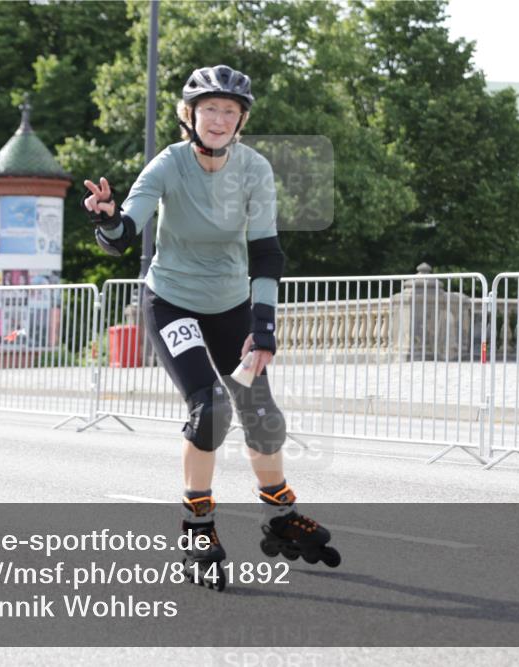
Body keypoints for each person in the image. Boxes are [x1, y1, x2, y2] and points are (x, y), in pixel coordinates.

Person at [83, 65, 339, 588]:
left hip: (230, 308)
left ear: (241, 120)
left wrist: (262, 324)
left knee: (262, 414)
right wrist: (108, 218)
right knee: (211, 409)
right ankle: (198, 525)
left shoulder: (255, 169)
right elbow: (126, 227)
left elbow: (266, 252)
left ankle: (280, 514)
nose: (219, 119)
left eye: (230, 111)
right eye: (209, 109)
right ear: (190, 115)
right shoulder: (169, 164)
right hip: (172, 301)